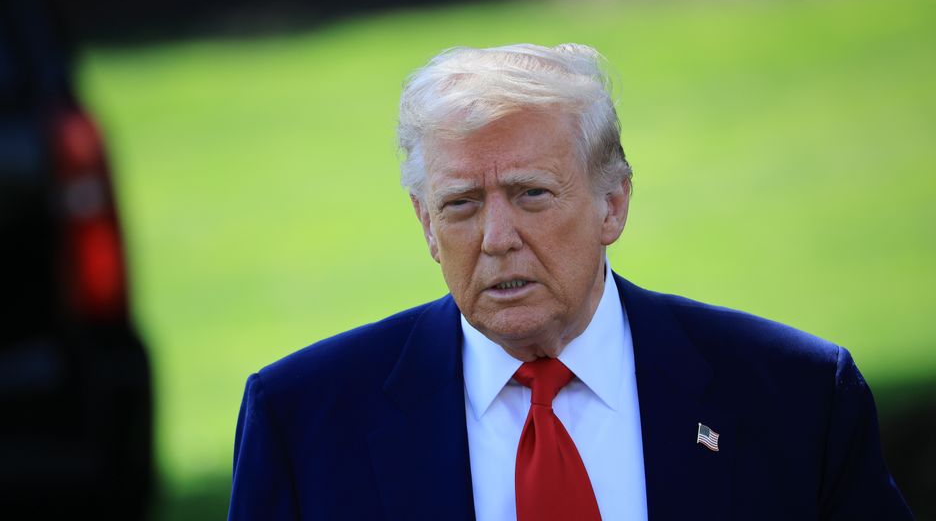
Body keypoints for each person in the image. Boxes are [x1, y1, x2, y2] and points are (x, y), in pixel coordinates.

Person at [227, 43, 913, 520]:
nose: (497, 238)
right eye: (461, 204)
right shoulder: (304, 422)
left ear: (612, 203)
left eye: (531, 194)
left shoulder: (794, 398)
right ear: (426, 224)